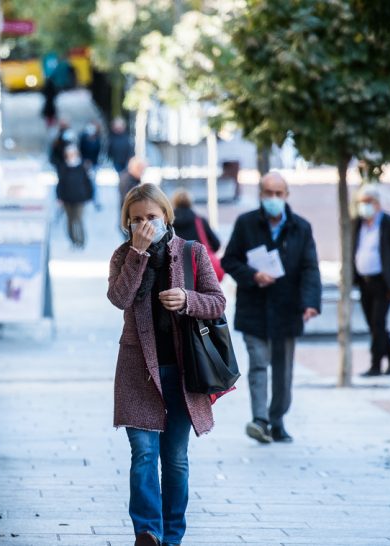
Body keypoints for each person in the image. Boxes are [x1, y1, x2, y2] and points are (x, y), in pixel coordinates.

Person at [107, 183, 226, 546]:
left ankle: (172, 536)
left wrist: (187, 299)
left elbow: (217, 302)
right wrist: (138, 255)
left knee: (174, 459)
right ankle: (148, 532)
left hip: (181, 370)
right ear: (127, 222)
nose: (144, 225)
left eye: (152, 218)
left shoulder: (191, 252)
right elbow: (119, 298)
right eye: (136, 220)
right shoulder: (122, 255)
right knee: (143, 452)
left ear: (166, 217)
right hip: (138, 369)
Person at [221, 172, 321, 444]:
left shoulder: (301, 227)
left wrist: (310, 302)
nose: (273, 199)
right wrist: (253, 275)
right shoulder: (246, 224)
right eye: (268, 193)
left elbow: (310, 267)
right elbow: (229, 260)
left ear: (286, 195)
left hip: (287, 309)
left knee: (283, 371)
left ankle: (277, 420)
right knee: (258, 364)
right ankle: (260, 419)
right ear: (261, 194)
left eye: (278, 193)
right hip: (255, 308)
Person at [352, 184, 390, 376]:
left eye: (368, 203)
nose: (365, 207)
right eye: (362, 203)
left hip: (384, 282)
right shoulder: (356, 223)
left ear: (377, 203)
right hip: (364, 281)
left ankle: (375, 365)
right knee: (373, 324)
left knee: (378, 323)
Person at [55, 146, 94, 249]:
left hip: (80, 198)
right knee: (69, 221)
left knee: (79, 220)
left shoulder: (82, 167)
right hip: (67, 199)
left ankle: (81, 241)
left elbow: (87, 182)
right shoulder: (63, 167)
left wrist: (90, 195)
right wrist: (59, 196)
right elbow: (60, 183)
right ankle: (73, 241)